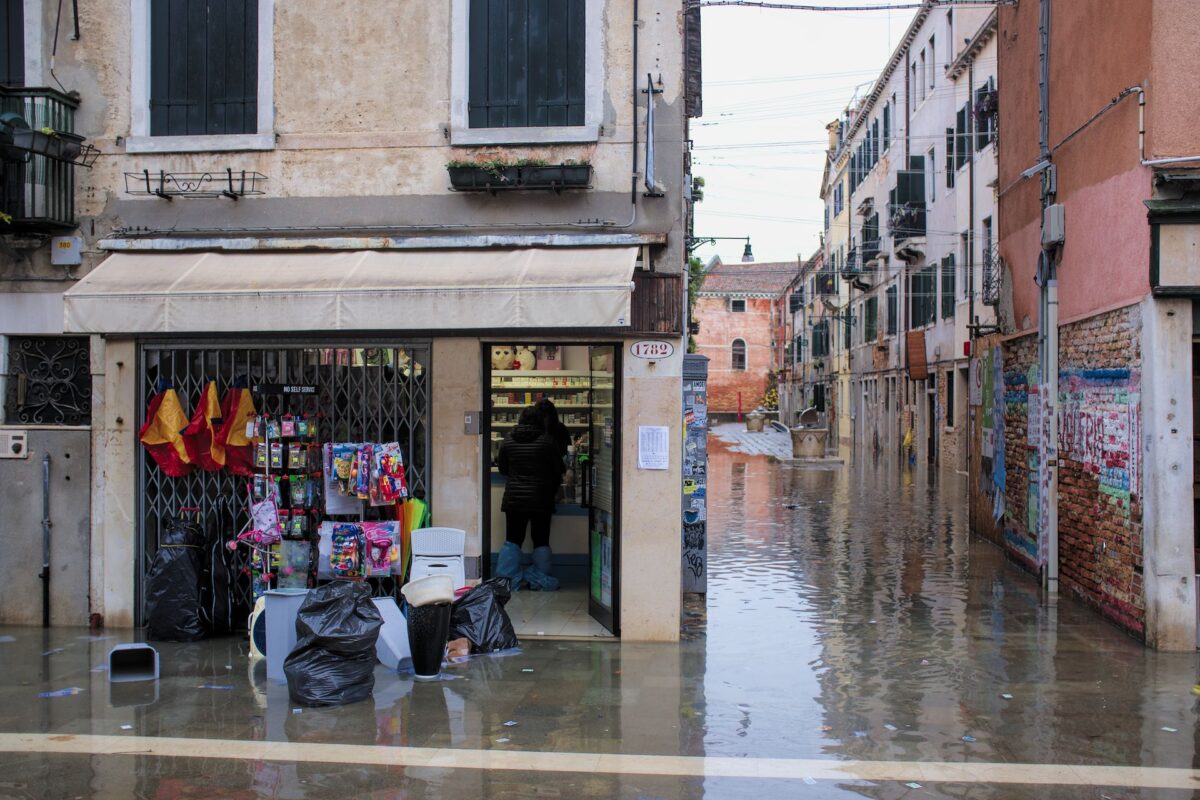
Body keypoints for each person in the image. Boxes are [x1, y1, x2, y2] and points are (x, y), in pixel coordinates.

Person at [497, 406, 564, 590]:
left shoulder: (508, 440)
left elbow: (503, 468)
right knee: (541, 539)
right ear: (541, 421)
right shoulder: (547, 441)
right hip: (541, 499)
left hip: (514, 499)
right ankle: (541, 579)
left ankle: (507, 580)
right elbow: (558, 469)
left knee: (513, 539)